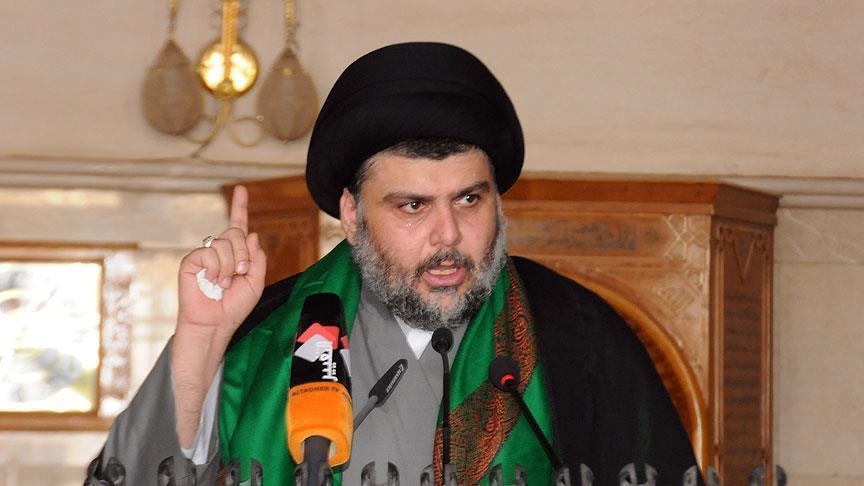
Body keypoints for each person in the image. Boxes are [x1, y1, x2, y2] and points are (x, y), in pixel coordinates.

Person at [86, 42, 701, 485]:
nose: (449, 234)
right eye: (412, 206)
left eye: (469, 200)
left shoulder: (575, 332)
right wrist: (202, 338)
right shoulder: (266, 335)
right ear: (352, 216)